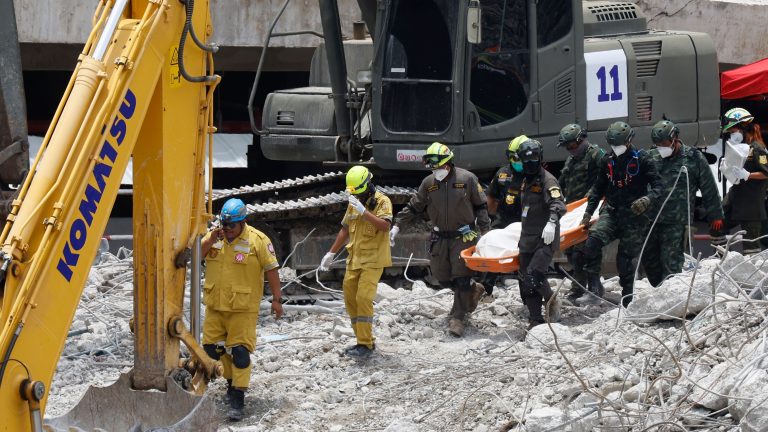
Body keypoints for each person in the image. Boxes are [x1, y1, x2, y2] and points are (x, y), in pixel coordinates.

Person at [391, 142, 490, 337]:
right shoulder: (429, 183)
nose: (436, 171)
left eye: (439, 167)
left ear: (448, 163)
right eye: (433, 168)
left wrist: (486, 231)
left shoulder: (467, 179)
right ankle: (472, 290)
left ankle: (458, 317)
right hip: (439, 236)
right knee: (440, 275)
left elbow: (481, 206)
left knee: (461, 276)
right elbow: (415, 205)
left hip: (463, 236)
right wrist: (397, 225)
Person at [201, 198, 283, 421]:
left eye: (231, 225)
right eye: (224, 224)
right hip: (215, 306)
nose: (227, 229)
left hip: (242, 308)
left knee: (239, 351)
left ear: (242, 222)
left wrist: (277, 300)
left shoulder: (258, 240)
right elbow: (196, 256)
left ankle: (238, 398)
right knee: (210, 350)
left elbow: (272, 269)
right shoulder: (214, 237)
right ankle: (230, 381)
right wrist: (210, 238)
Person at [580, 122, 663, 307]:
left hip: (634, 217)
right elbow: (598, 189)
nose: (616, 148)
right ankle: (593, 290)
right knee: (592, 244)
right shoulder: (607, 160)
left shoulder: (643, 159)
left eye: (619, 144)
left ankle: (627, 298)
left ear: (629, 141)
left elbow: (659, 187)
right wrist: (588, 213)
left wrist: (647, 199)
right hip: (612, 212)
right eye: (613, 145)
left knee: (624, 260)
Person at [318, 166, 392, 357]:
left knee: (364, 298)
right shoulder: (354, 202)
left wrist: (364, 212)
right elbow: (345, 229)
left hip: (373, 259)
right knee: (350, 299)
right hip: (355, 258)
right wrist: (331, 253)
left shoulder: (382, 201)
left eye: (358, 191)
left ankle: (365, 344)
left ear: (368, 184)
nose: (356, 196)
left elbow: (385, 226)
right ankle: (361, 340)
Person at [643, 120, 723, 286]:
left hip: (676, 222)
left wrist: (715, 215)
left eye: (664, 143)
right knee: (650, 262)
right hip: (651, 220)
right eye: (658, 144)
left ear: (675, 139)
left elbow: (709, 188)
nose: (661, 147)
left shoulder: (693, 158)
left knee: (671, 265)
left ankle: (670, 296)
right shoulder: (650, 157)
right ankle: (658, 291)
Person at [515, 139, 567, 328]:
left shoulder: (548, 180)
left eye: (533, 158)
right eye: (526, 159)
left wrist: (552, 222)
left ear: (540, 158)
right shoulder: (525, 181)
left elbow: (558, 204)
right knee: (525, 281)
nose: (530, 163)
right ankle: (535, 319)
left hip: (544, 238)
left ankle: (551, 301)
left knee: (533, 277)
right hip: (526, 238)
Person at [556, 123, 605, 304]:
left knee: (586, 251)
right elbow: (562, 182)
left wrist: (591, 197)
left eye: (572, 145)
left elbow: (605, 178)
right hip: (572, 212)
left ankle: (594, 289)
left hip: (589, 211)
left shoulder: (596, 155)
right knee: (572, 252)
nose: (570, 149)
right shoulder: (571, 160)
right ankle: (578, 286)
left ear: (581, 140)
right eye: (567, 147)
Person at [710, 108, 768, 255]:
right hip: (735, 198)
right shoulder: (739, 148)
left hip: (751, 203)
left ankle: (749, 268)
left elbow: (766, 173)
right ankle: (723, 259)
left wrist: (748, 175)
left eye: (733, 131)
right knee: (716, 225)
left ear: (744, 127)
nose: (731, 134)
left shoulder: (757, 148)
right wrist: (726, 168)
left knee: (751, 248)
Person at [482, 135, 528, 295]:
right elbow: (491, 196)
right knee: (492, 252)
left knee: (525, 261)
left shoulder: (535, 174)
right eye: (513, 158)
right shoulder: (502, 173)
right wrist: (492, 218)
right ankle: (485, 290)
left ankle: (527, 297)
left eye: (519, 158)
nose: (516, 161)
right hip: (503, 220)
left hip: (525, 223)